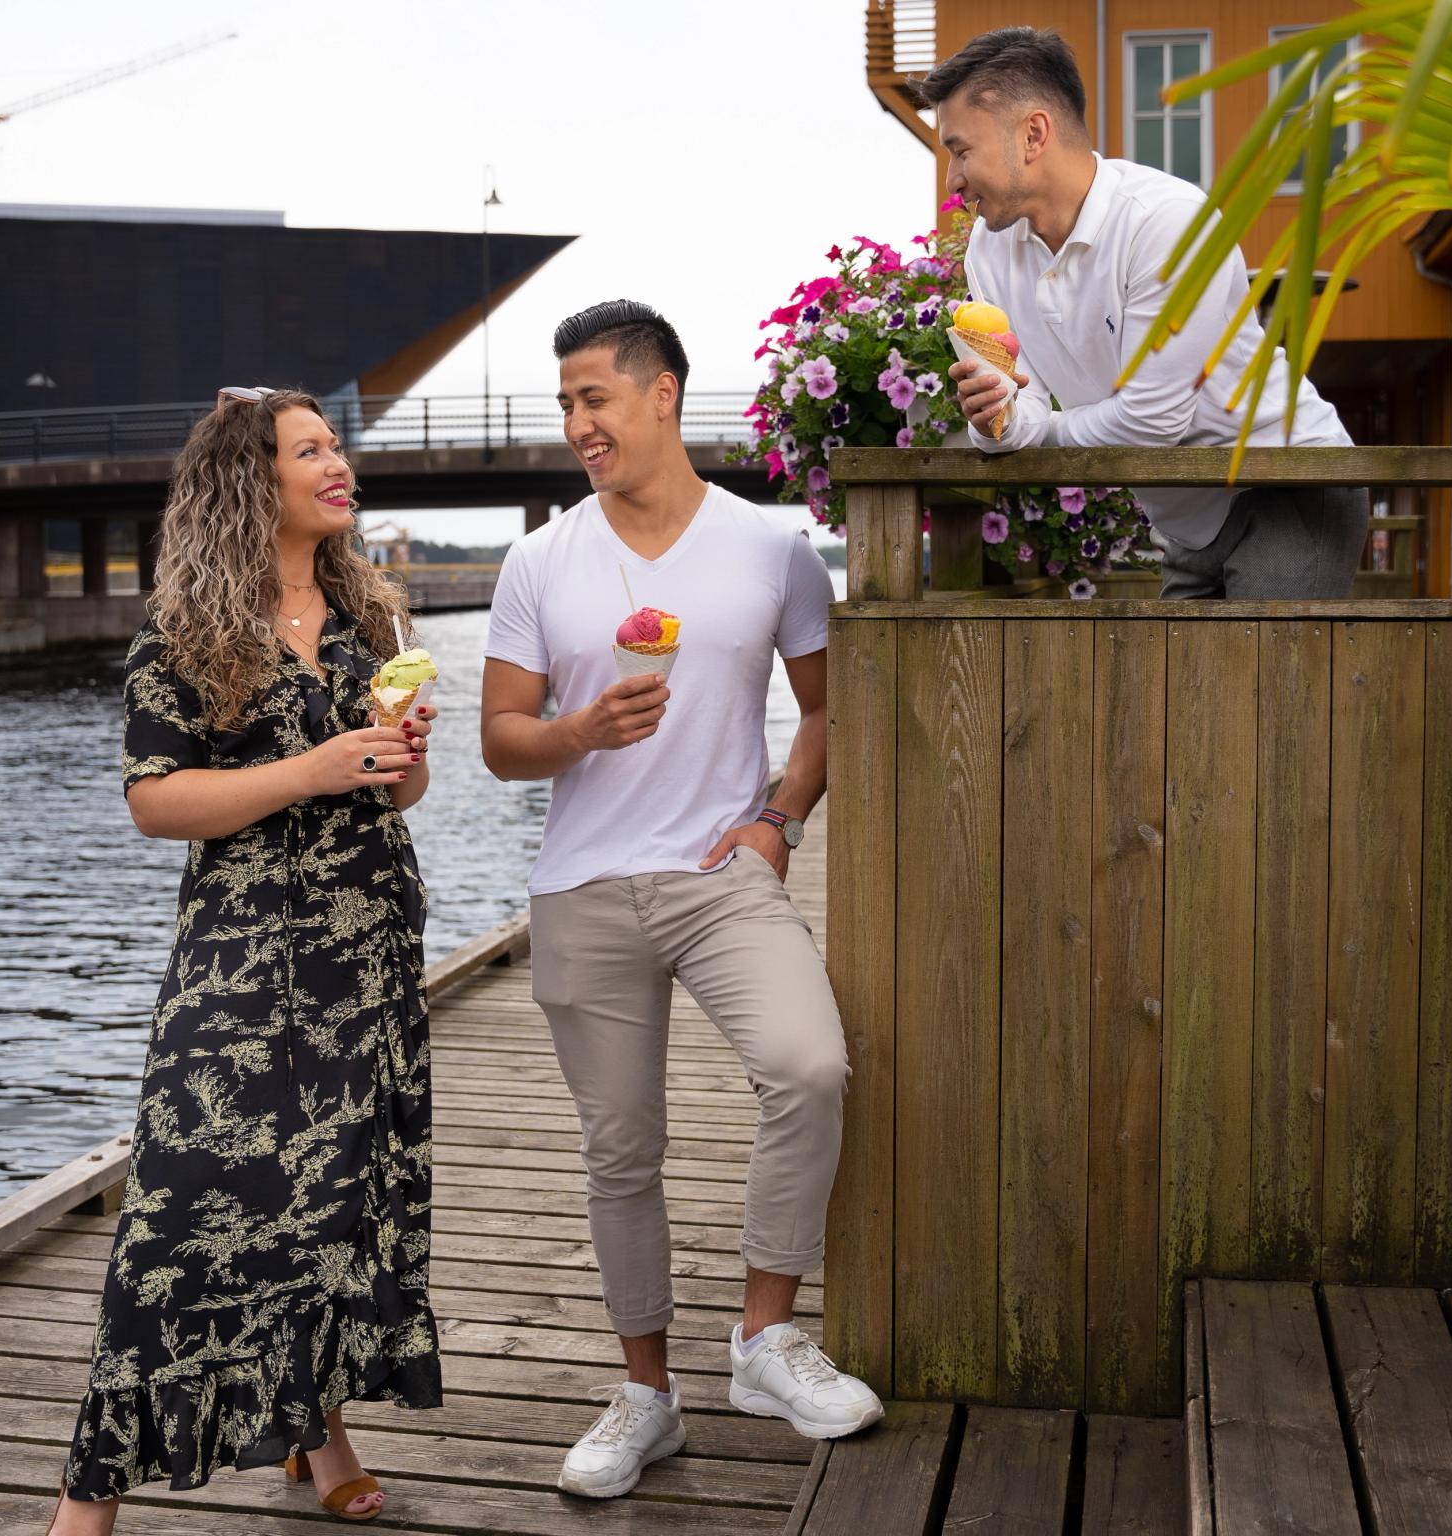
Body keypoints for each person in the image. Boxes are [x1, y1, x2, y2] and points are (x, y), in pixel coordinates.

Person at [480, 301, 884, 1502]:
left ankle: (763, 1339)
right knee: (621, 1151)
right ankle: (644, 1397)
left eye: (592, 398)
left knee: (808, 1068)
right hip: (581, 885)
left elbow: (821, 708)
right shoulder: (538, 560)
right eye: (563, 404)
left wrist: (778, 822)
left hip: (720, 875)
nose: (575, 425)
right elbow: (502, 742)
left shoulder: (768, 547)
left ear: (661, 394)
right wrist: (574, 729)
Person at [47, 387, 441, 1533]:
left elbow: (399, 791)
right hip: (244, 960)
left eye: (335, 445)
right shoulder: (186, 629)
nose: (337, 463)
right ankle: (88, 1496)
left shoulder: (371, 616)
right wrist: (310, 770)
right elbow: (156, 801)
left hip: (366, 950)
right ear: (248, 482)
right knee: (181, 1211)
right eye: (309, 449)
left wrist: (398, 756)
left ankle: (316, 1436)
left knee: (329, 1205)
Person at [925, 27, 1369, 599]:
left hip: (1289, 481)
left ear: (1033, 134)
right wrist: (991, 422)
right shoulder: (989, 249)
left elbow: (1153, 422)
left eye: (961, 151)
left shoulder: (1167, 222)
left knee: (1262, 688)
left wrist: (1037, 431)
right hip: (1184, 513)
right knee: (1183, 690)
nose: (953, 178)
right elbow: (1018, 409)